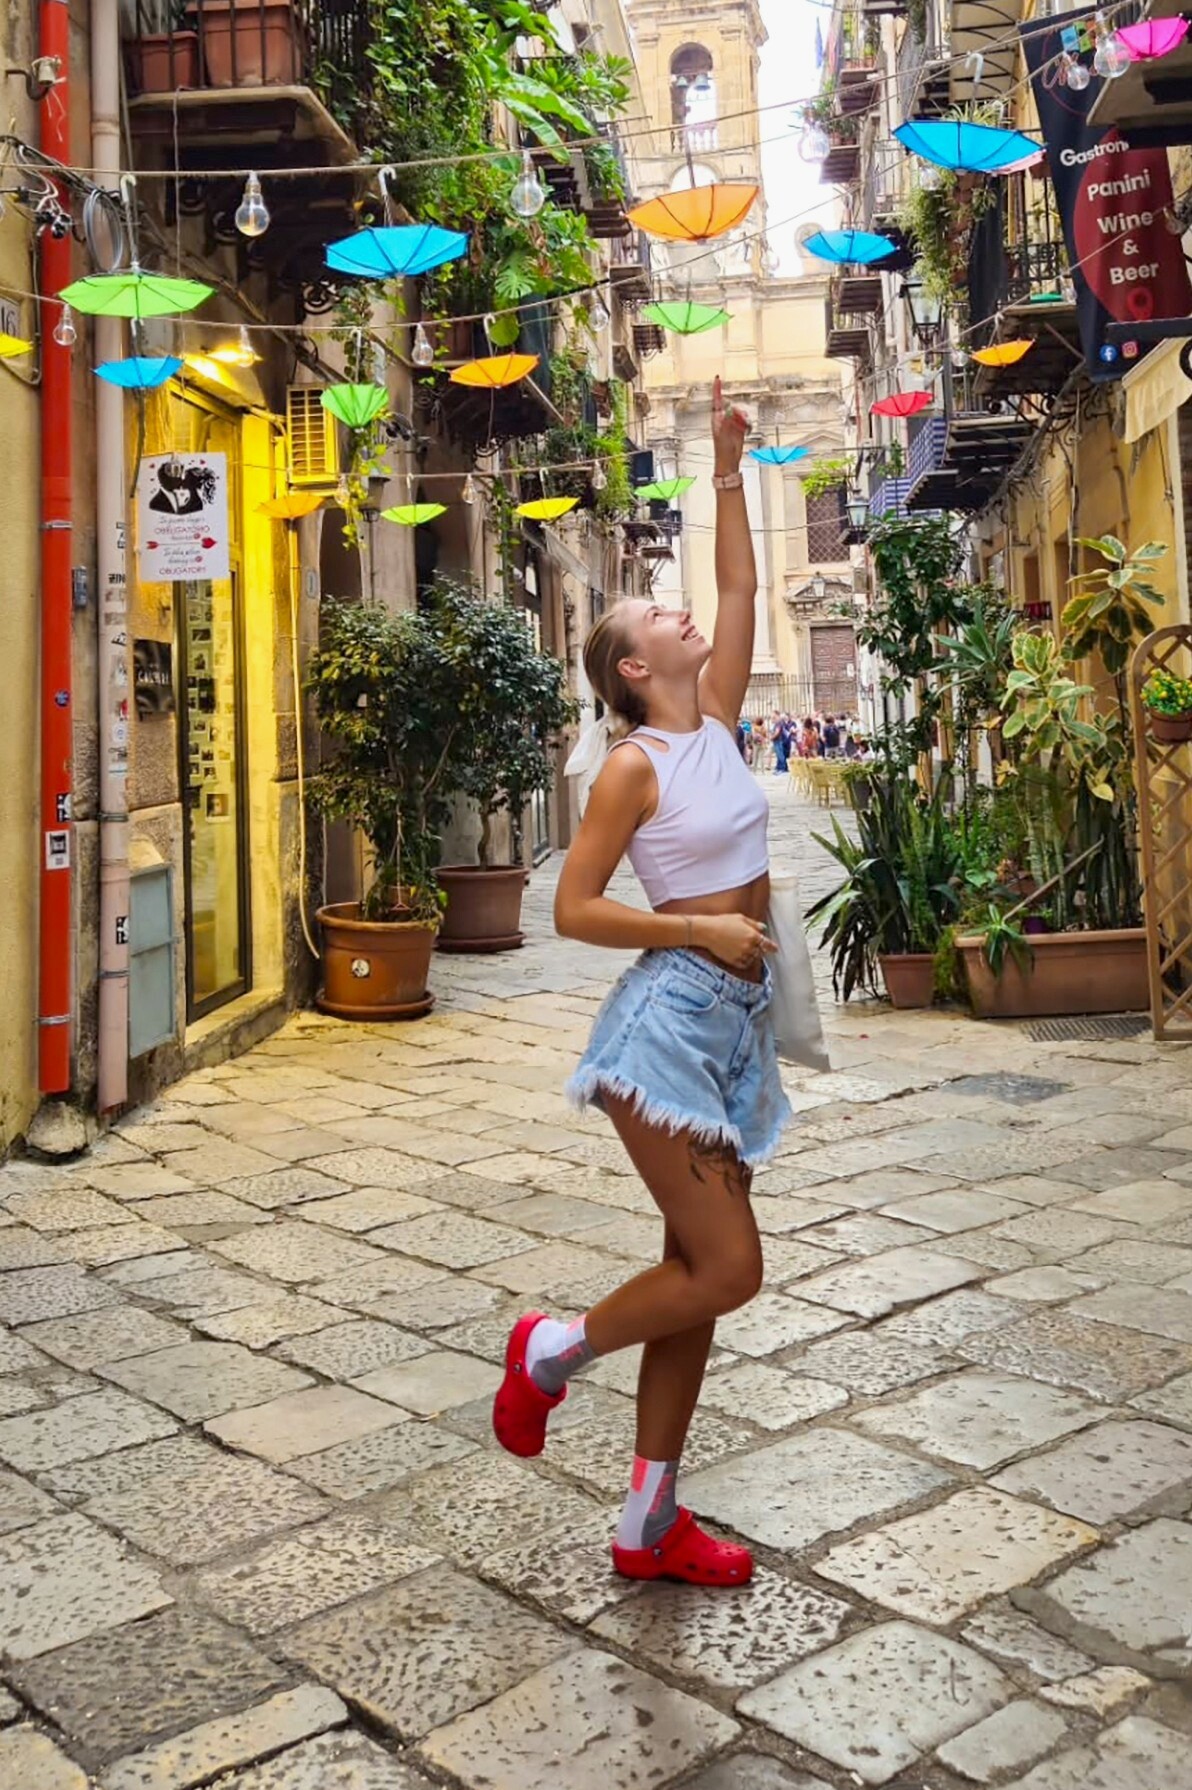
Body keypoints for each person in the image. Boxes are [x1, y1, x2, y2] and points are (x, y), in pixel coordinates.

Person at [491, 377, 790, 1589]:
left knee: (693, 1283)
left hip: (733, 1025)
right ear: (629, 663)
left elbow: (741, 589)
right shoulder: (631, 766)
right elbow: (572, 907)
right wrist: (697, 928)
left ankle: (646, 1521)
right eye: (656, 613)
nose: (683, 611)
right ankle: (549, 1349)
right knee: (729, 1267)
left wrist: (725, 464)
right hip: (668, 1028)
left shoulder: (712, 719)